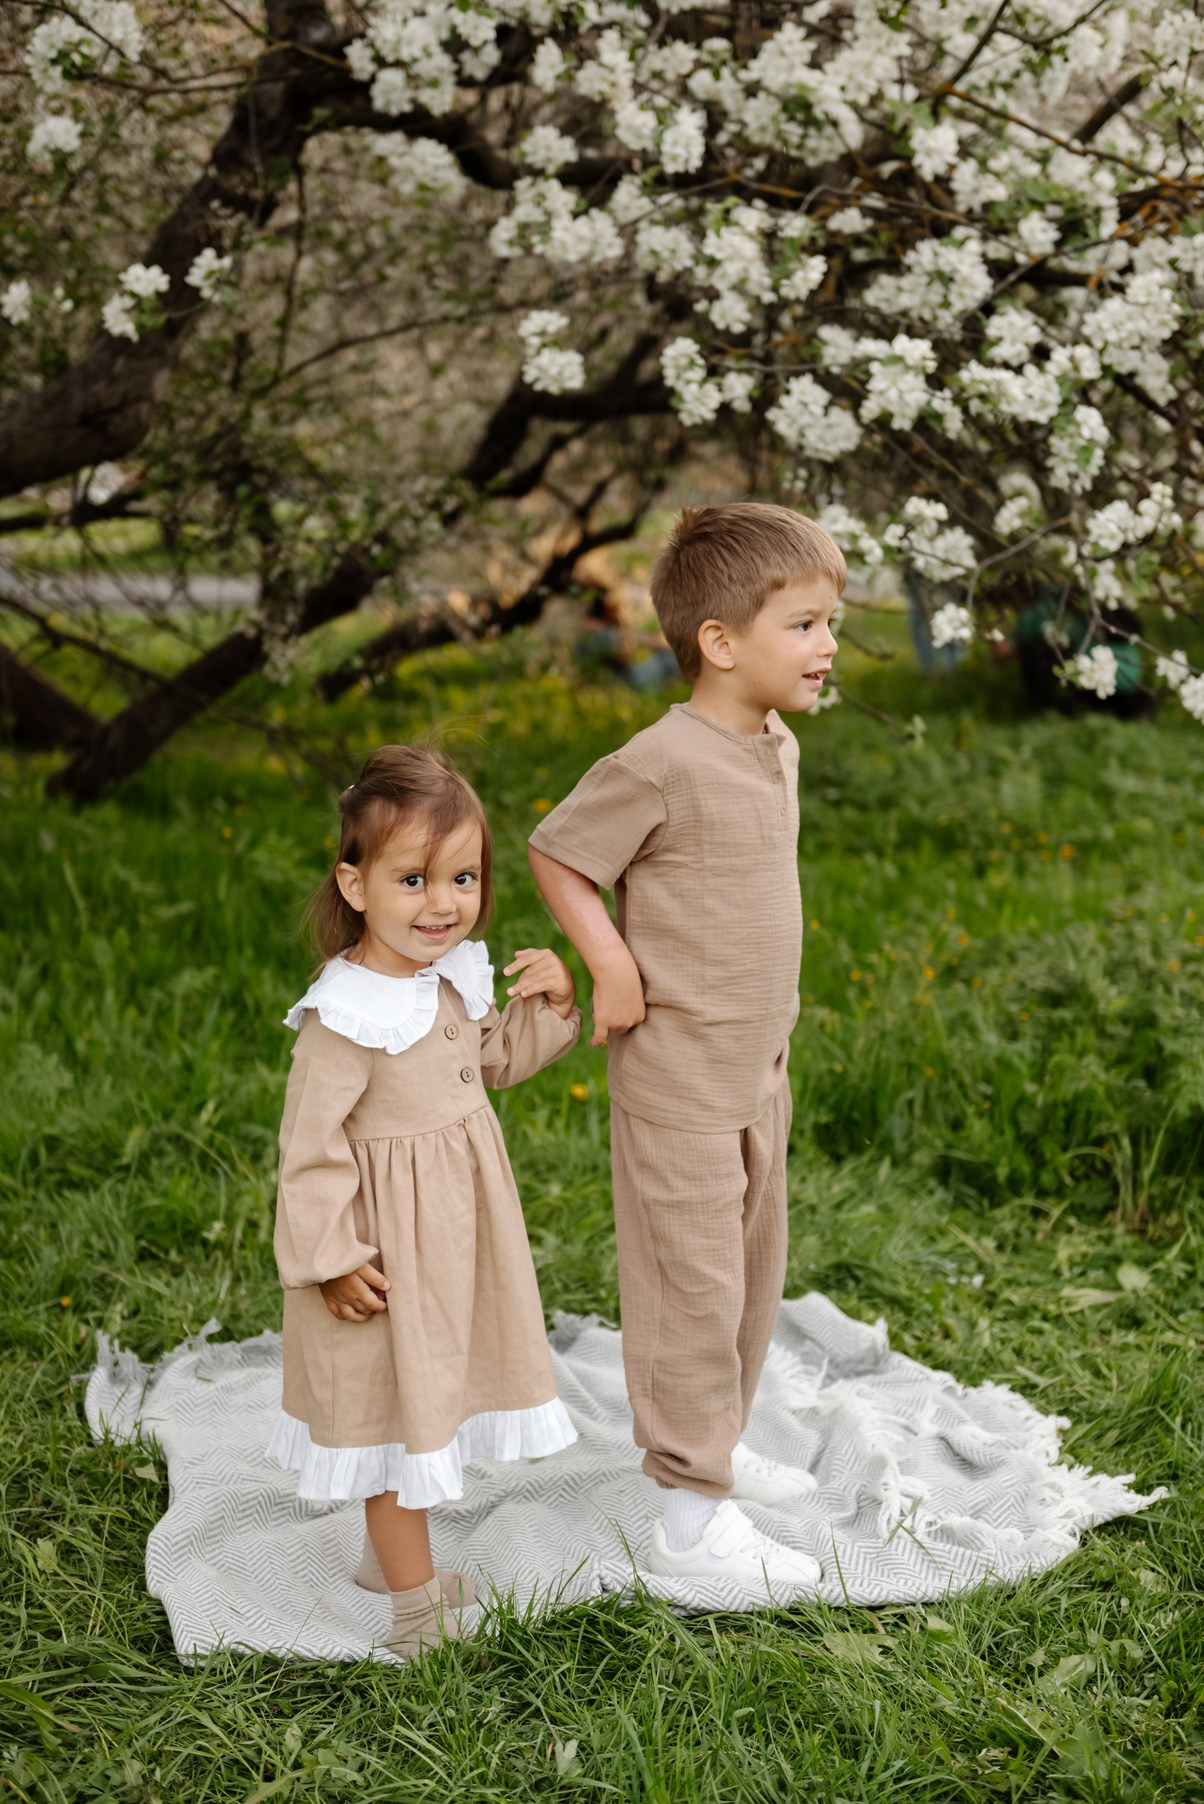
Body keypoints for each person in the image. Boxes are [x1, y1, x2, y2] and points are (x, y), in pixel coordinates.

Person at [528, 502, 842, 1603]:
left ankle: (716, 1444)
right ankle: (687, 1523)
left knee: (753, 1275)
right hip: (677, 1082)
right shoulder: (658, 759)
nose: (826, 644)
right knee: (690, 1290)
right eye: (802, 623)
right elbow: (561, 854)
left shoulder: (776, 744)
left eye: (828, 622)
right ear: (720, 642)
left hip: (756, 1067)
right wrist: (610, 966)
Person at [269, 744, 582, 1656]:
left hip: (450, 1241)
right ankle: (414, 1613)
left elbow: (489, 1065)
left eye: (464, 877)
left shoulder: (449, 980)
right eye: (413, 879)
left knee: (428, 1398)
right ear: (355, 884)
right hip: (379, 1258)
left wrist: (553, 1008)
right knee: (391, 1419)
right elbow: (309, 1152)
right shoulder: (344, 1014)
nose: (443, 903)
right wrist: (330, 1259)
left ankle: (388, 1564)